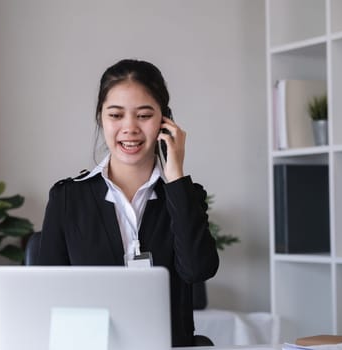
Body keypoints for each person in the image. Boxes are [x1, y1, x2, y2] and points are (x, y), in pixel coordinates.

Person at [37, 58, 219, 347]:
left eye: (144, 115)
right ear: (101, 118)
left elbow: (197, 270)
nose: (130, 127)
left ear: (165, 121)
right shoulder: (67, 198)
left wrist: (175, 178)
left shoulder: (185, 195)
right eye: (116, 115)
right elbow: (44, 297)